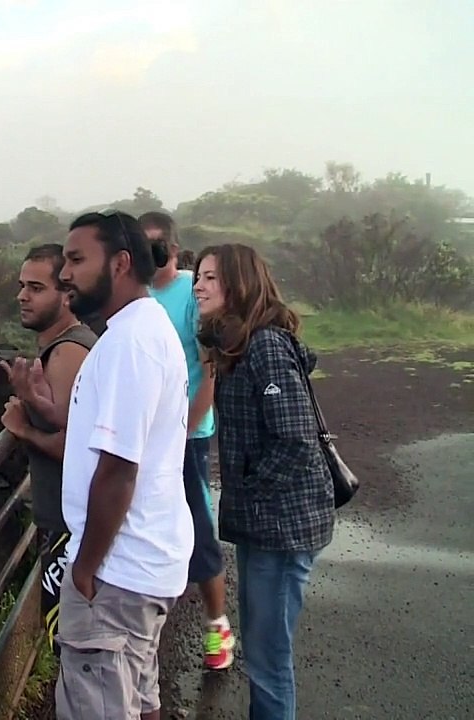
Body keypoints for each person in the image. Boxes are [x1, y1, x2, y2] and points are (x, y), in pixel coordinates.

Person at [11, 210, 194, 720]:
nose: (65, 274)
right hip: (142, 564)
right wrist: (44, 410)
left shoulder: (127, 345)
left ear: (120, 263)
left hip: (117, 573)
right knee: (138, 699)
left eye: (75, 260)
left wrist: (85, 568)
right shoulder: (144, 329)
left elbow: (118, 469)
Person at [193, 244, 334, 720]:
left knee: (269, 659)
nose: (199, 285)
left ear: (239, 283)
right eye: (198, 276)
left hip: (282, 525)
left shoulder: (265, 345)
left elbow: (295, 440)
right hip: (265, 523)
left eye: (210, 277)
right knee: (260, 651)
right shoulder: (234, 345)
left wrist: (249, 493)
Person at [139, 211, 234, 671]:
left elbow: (209, 371)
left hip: (189, 434)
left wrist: (184, 431)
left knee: (197, 527)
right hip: (145, 435)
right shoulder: (134, 294)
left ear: (174, 250)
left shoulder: (189, 292)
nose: (148, 253)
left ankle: (217, 626)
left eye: (156, 245)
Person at [0, 243, 96, 650]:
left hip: (68, 527)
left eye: (36, 287)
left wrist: (24, 429)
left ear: (66, 294)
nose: (22, 295)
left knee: (71, 649)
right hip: (66, 522)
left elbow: (76, 446)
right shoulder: (70, 345)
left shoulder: (69, 352)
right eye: (22, 286)